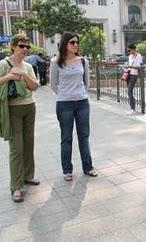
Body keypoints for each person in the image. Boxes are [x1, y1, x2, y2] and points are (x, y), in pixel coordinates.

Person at [0, 34, 40, 202]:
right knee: (16, 148)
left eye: (27, 47)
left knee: (29, 143)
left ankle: (28, 176)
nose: (25, 49)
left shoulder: (28, 66)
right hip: (12, 109)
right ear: (13, 46)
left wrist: (23, 75)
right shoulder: (4, 64)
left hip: (29, 107)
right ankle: (16, 186)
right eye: (21, 46)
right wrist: (9, 76)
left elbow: (35, 86)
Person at [50, 32, 97, 181]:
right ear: (65, 44)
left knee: (84, 136)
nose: (75, 44)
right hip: (64, 104)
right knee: (66, 138)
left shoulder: (83, 61)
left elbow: (87, 82)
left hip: (82, 102)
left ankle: (88, 167)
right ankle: (67, 170)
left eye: (77, 42)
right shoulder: (55, 62)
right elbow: (53, 85)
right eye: (72, 42)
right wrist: (66, 94)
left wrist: (79, 93)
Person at [125, 43, 143, 115]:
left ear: (133, 49)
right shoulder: (130, 56)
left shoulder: (139, 56)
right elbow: (129, 65)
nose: (128, 52)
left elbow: (139, 67)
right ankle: (132, 108)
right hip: (128, 74)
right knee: (129, 91)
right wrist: (127, 66)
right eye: (128, 51)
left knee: (129, 91)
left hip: (134, 75)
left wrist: (131, 66)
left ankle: (133, 109)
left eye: (129, 50)